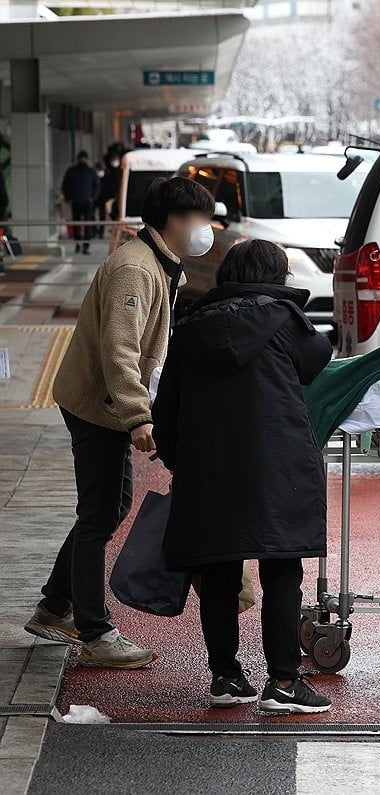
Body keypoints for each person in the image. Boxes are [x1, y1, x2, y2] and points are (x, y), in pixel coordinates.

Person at [24, 177, 216, 667]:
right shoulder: (135, 268)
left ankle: (54, 604)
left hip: (104, 400)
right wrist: (136, 416)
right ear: (173, 221)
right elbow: (119, 349)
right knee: (99, 514)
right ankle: (95, 630)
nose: (206, 229)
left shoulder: (159, 263)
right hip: (97, 403)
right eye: (200, 218)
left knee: (108, 506)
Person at [152, 240, 333, 714]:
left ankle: (226, 677)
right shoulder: (285, 321)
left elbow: (165, 409)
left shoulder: (189, 328)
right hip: (278, 467)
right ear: (276, 277)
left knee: (217, 572)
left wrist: (179, 463)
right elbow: (318, 358)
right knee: (281, 568)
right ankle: (284, 682)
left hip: (207, 467)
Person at [62, 150, 101, 254]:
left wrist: (93, 197)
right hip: (81, 201)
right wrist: (69, 197)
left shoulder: (89, 171)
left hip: (85, 202)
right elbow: (65, 185)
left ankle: (84, 245)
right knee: (79, 224)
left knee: (83, 224)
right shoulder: (79, 171)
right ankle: (80, 244)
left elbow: (97, 186)